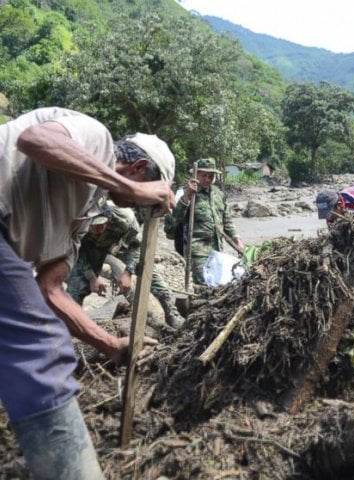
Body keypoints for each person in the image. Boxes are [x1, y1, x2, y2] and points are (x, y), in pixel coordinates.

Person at [0, 106, 175, 479]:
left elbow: (49, 290)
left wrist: (111, 344)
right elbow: (36, 140)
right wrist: (129, 188)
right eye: (150, 193)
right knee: (41, 345)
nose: (143, 205)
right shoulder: (96, 137)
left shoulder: (84, 211)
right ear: (140, 167)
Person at [67, 201, 186, 329]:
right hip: (93, 249)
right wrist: (91, 277)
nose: (98, 229)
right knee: (77, 284)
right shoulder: (78, 224)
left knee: (148, 271)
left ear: (109, 217)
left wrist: (128, 273)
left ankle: (172, 313)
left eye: (102, 224)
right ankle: (70, 322)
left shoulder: (125, 219)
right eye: (94, 225)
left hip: (122, 245)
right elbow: (78, 253)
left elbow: (136, 248)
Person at [164, 157, 244, 284]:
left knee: (218, 284)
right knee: (204, 284)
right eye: (204, 175)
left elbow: (227, 221)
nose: (207, 179)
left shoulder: (219, 194)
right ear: (196, 175)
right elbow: (171, 223)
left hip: (217, 249)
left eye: (211, 176)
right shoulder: (185, 192)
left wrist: (237, 241)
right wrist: (187, 196)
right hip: (197, 251)